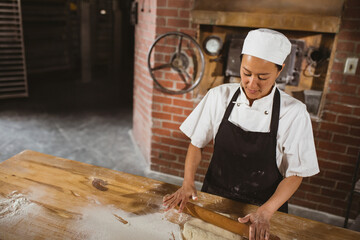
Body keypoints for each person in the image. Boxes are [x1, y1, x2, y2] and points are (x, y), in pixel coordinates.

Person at [163, 28, 319, 240]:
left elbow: (295, 174)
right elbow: (196, 144)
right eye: (246, 73)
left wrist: (266, 211)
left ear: (280, 71)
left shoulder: (294, 112)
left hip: (263, 209)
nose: (252, 84)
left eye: (262, 77)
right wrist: (187, 183)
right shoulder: (219, 96)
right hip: (215, 198)